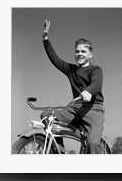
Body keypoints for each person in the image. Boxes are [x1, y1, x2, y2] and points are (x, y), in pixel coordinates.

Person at [41, 19, 105, 154]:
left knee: (93, 143)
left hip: (93, 109)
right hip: (75, 109)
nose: (79, 54)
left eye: (83, 51)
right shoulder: (71, 70)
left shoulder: (95, 69)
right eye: (77, 51)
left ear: (90, 55)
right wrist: (46, 39)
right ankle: (59, 152)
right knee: (47, 115)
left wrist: (88, 92)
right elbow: (55, 59)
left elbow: (97, 84)